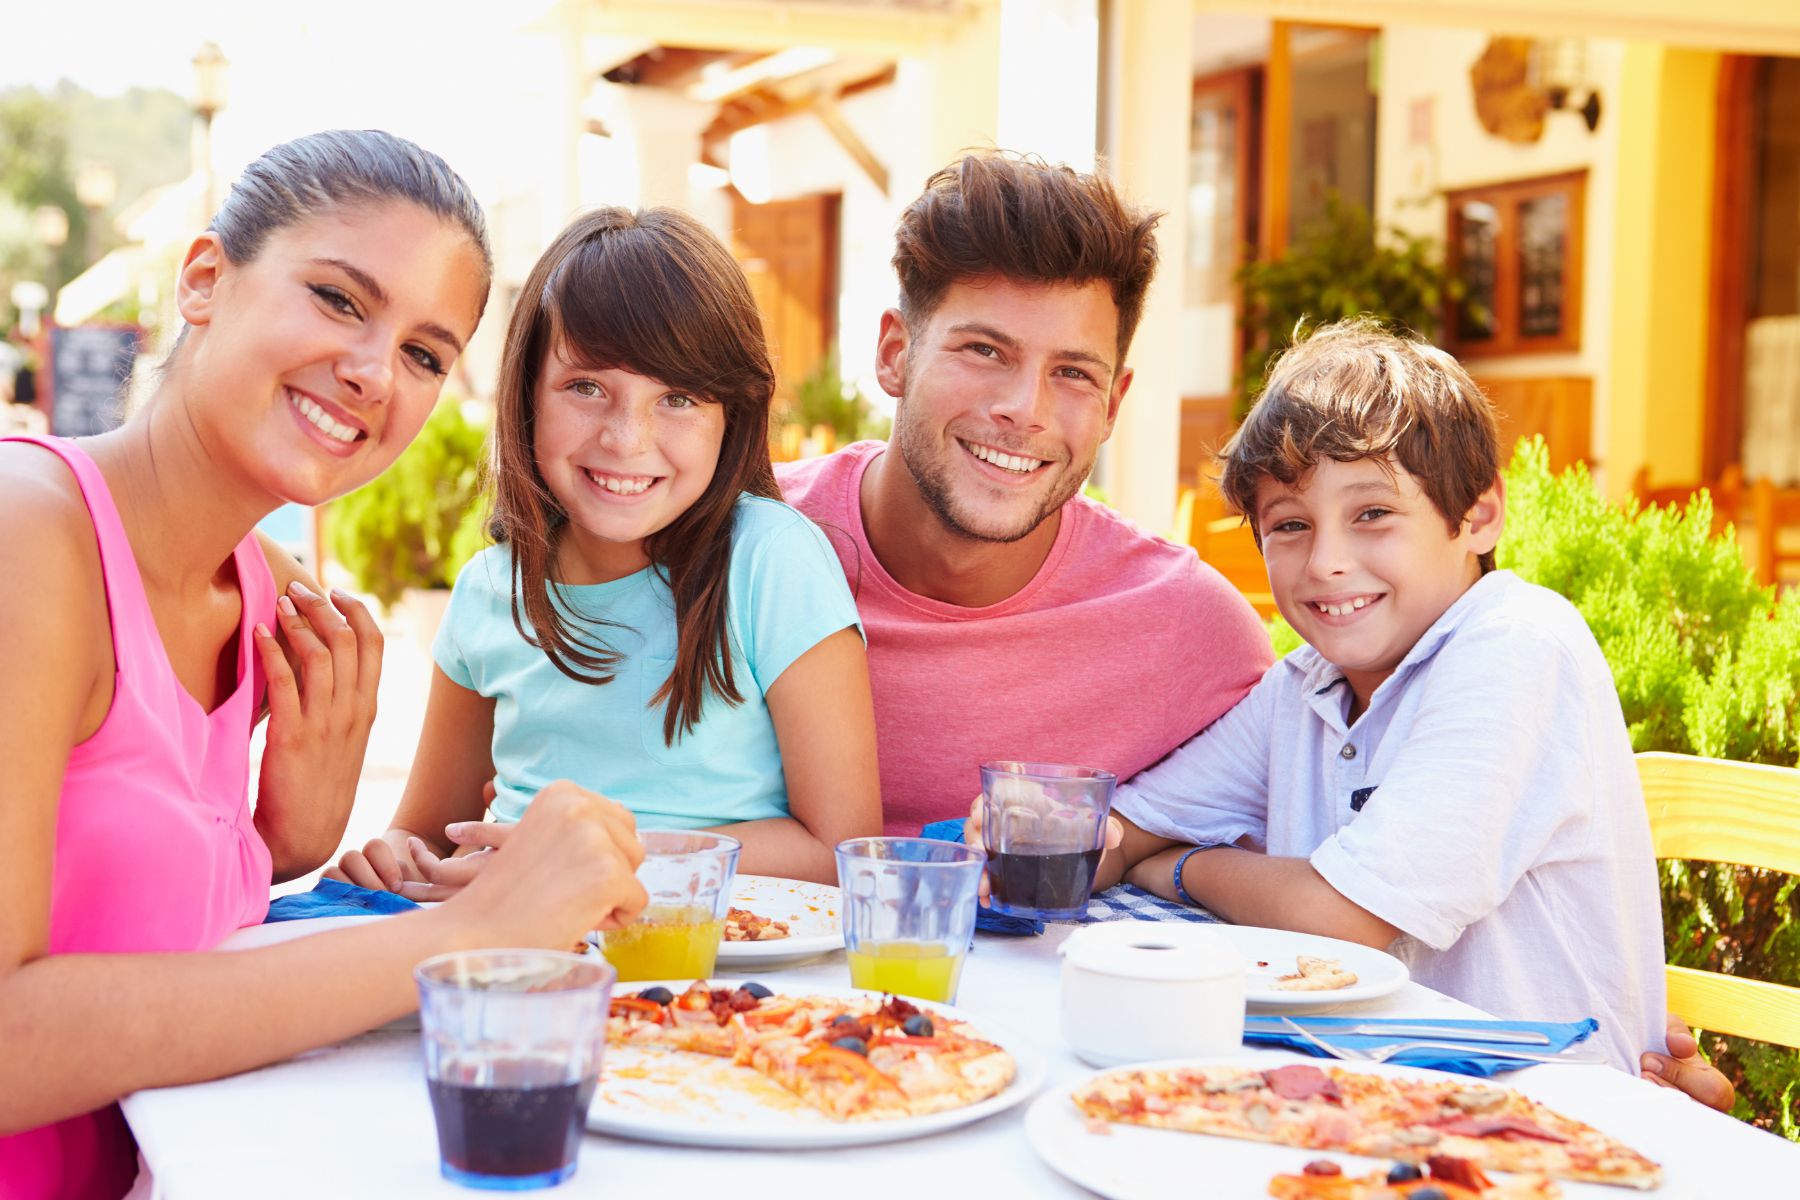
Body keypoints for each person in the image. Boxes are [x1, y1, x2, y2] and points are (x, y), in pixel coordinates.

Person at [0, 131, 648, 1200]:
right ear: (205, 280)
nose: (371, 372)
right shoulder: (31, 540)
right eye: (341, 300)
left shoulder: (273, 597)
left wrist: (282, 847)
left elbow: (143, 934)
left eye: (425, 354)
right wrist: (468, 935)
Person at [977, 319, 1668, 1073]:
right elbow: (1115, 834)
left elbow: (1341, 918)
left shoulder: (1515, 643)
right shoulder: (1303, 685)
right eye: (1291, 526)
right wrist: (1048, 834)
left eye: (1372, 515)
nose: (1328, 563)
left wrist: (1178, 868)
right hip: (1364, 1096)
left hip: (1547, 1112)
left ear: (1478, 514)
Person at [330, 207, 878, 889]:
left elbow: (843, 849)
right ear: (527, 393)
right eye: (586, 387)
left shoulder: (771, 560)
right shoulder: (488, 591)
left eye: (677, 398)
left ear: (731, 417)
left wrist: (596, 864)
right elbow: (429, 836)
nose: (626, 438)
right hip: (516, 962)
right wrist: (392, 857)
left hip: (717, 972)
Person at [776, 151, 1274, 835]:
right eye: (984, 350)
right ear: (896, 353)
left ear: (1111, 405)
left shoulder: (1191, 630)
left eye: (1072, 372)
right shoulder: (739, 545)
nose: (1025, 409)